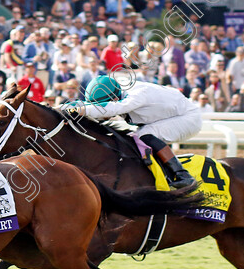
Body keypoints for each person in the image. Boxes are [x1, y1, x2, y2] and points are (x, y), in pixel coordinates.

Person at [61, 75, 199, 189]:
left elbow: (112, 109)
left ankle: (183, 175)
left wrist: (79, 110)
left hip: (187, 117)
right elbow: (98, 106)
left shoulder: (136, 96)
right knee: (137, 136)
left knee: (144, 135)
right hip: (166, 115)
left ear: (114, 98)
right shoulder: (116, 89)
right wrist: (63, 108)